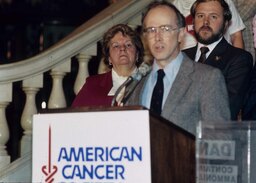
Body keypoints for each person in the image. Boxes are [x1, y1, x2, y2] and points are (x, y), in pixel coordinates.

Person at [125, 1, 230, 136]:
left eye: (165, 29)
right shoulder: (135, 83)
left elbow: (219, 141)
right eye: (151, 30)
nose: (157, 37)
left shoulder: (207, 79)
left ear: (181, 34)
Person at [183, 0, 253, 120]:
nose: (205, 22)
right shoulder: (182, 57)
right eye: (200, 16)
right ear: (193, 22)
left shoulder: (239, 59)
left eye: (213, 16)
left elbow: (227, 109)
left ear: (226, 24)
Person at [72, 24, 144, 107]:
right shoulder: (92, 85)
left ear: (137, 54)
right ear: (109, 58)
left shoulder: (148, 82)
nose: (122, 48)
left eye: (128, 45)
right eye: (116, 46)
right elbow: (73, 117)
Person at [171, 0, 245, 49]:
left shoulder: (224, 1)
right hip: (189, 60)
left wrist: (238, 60)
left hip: (222, 58)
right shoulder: (175, 5)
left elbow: (236, 36)